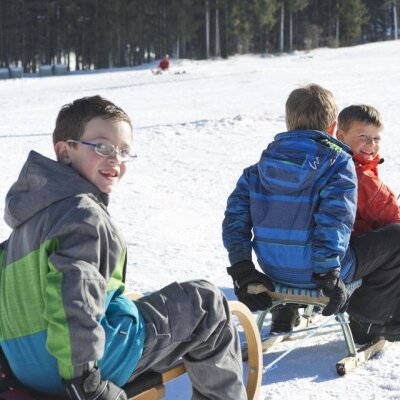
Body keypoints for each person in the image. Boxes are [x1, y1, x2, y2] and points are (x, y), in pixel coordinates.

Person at [0, 96, 245, 400]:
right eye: (102, 146)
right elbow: (73, 297)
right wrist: (85, 381)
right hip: (75, 369)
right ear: (65, 151)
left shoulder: (29, 219)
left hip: (27, 366)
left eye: (124, 150)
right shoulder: (82, 213)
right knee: (206, 304)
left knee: (128, 303)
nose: (115, 158)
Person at [222, 84, 400, 345]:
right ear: (332, 127)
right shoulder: (338, 163)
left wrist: (243, 270)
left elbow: (235, 220)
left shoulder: (257, 169)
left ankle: (286, 309)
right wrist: (327, 274)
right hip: (322, 275)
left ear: (289, 122)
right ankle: (368, 321)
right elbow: (335, 219)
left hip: (273, 270)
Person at [336, 104, 400, 319]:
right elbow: (395, 218)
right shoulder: (361, 176)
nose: (371, 144)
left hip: (342, 243)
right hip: (354, 250)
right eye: (363, 136)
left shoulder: (329, 162)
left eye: (376, 138)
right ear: (341, 135)